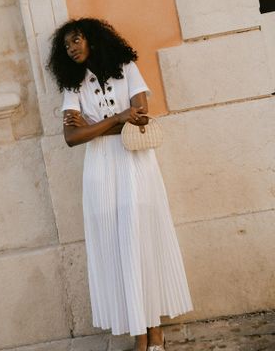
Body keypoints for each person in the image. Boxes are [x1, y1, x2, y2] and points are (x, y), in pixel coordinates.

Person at [47, 18, 193, 351]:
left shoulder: (126, 68)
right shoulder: (73, 85)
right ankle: (139, 333)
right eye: (66, 46)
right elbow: (71, 137)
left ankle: (155, 330)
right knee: (118, 245)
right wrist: (117, 118)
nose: (71, 48)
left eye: (76, 40)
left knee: (143, 239)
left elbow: (141, 115)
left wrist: (95, 125)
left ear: (93, 40)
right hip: (101, 170)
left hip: (136, 163)